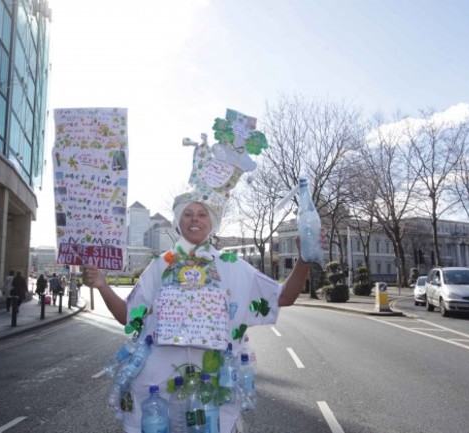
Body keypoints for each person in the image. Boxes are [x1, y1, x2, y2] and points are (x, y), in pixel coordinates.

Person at [82, 109, 312, 433]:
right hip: (156, 400)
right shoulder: (160, 266)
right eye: (188, 213)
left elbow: (282, 297)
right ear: (178, 222)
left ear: (212, 222)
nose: (194, 219)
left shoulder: (231, 266)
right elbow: (127, 317)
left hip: (211, 398)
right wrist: (104, 285)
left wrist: (304, 261)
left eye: (202, 214)